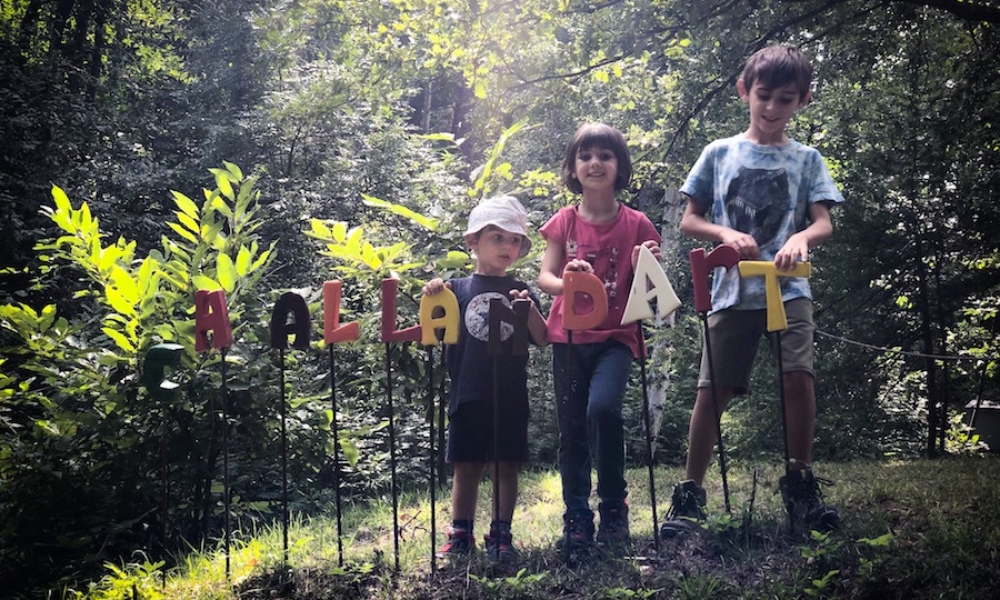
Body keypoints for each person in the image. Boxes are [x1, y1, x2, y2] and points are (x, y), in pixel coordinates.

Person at [661, 45, 845, 539]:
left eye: (785, 99)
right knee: (712, 389)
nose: (772, 107)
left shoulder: (807, 159)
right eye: (764, 95)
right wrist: (724, 233)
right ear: (745, 91)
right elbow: (690, 219)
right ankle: (689, 495)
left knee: (797, 378)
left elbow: (823, 222)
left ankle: (801, 487)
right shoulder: (719, 153)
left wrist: (801, 237)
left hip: (789, 288)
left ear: (803, 100)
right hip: (731, 290)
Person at [538, 123, 662, 552]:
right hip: (568, 337)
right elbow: (545, 277)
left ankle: (613, 505)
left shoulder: (638, 224)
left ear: (619, 166)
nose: (595, 163)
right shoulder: (564, 221)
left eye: (605, 156)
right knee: (572, 428)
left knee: (603, 409)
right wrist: (568, 281)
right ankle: (576, 514)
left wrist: (647, 267)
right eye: (586, 156)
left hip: (616, 338)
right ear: (573, 168)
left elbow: (653, 291)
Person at [426, 195, 548, 564]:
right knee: (466, 464)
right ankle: (460, 532)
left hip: (509, 395)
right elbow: (432, 327)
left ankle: (501, 534)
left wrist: (527, 307)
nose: (507, 246)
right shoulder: (456, 289)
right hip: (468, 391)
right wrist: (432, 291)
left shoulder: (520, 289)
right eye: (497, 237)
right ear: (473, 241)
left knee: (505, 464)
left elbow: (543, 337)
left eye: (515, 240)